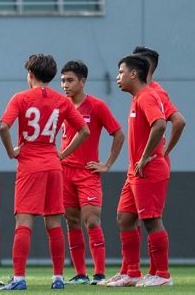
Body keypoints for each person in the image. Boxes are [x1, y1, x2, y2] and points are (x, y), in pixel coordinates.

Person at [0, 54, 90, 290]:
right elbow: (84, 131)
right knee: (54, 224)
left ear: (30, 75)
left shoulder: (21, 98)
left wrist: (12, 151)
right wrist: (62, 154)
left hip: (30, 165)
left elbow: (3, 126)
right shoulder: (62, 101)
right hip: (53, 164)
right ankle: (58, 278)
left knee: (24, 221)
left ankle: (19, 278)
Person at [102, 47, 186, 287]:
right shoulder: (138, 97)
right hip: (135, 171)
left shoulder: (149, 95)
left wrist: (151, 155)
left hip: (147, 169)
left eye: (121, 72)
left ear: (136, 73)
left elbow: (161, 124)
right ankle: (131, 272)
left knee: (151, 220)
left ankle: (162, 275)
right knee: (124, 218)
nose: (118, 77)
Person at [59, 60, 124, 285]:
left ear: (82, 81)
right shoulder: (61, 106)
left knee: (92, 221)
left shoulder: (97, 106)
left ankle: (99, 273)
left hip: (87, 173)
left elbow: (118, 134)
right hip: (64, 172)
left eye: (70, 80)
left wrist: (107, 164)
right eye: (62, 80)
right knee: (72, 222)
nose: (64, 85)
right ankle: (80, 274)